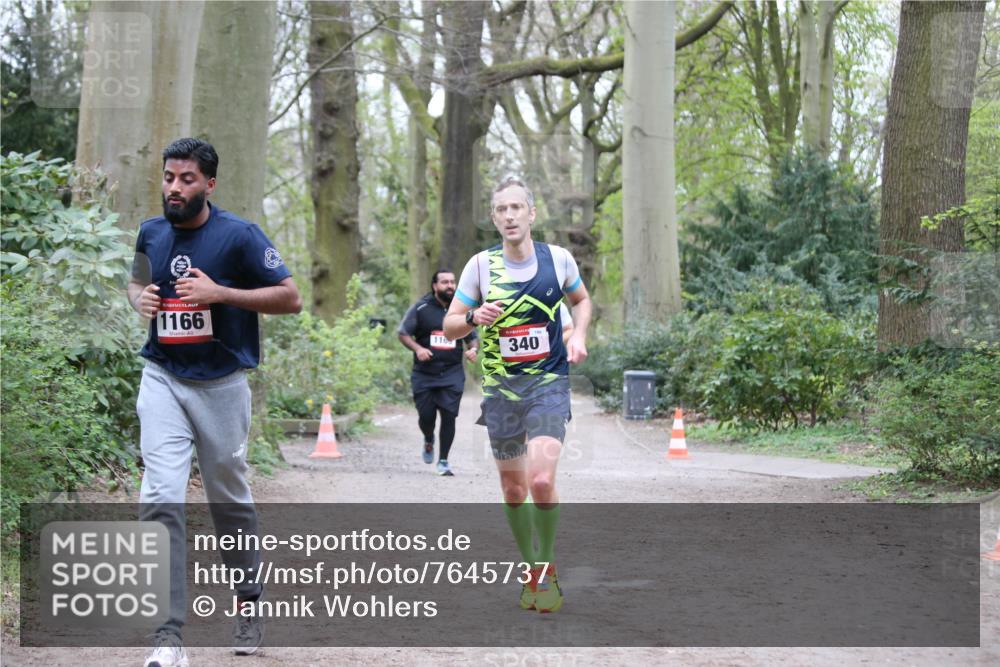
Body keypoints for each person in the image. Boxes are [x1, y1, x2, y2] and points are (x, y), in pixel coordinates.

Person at [128, 138, 302, 667]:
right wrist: (141, 299)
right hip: (162, 378)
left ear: (209, 183)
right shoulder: (151, 232)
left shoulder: (240, 236)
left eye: (186, 179)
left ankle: (248, 598)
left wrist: (221, 293)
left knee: (228, 500)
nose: (174, 188)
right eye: (169, 177)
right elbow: (136, 284)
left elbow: (290, 297)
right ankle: (167, 636)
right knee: (161, 495)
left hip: (221, 386)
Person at [443, 175, 592, 614]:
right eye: (501, 210)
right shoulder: (480, 267)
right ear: (494, 218)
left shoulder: (558, 260)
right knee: (513, 490)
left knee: (540, 480)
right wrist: (473, 316)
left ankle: (546, 570)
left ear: (531, 213)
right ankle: (531, 569)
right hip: (501, 392)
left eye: (516, 208)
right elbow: (450, 326)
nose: (509, 216)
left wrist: (580, 336)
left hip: (548, 384)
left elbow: (582, 301)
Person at [397, 270, 478, 476]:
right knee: (426, 417)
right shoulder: (421, 308)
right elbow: (403, 333)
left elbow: (472, 337)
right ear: (435, 286)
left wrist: (473, 350)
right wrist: (418, 349)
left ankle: (443, 461)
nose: (450, 286)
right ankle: (428, 438)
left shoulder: (460, 310)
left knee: (449, 416)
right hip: (424, 373)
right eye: (445, 282)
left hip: (452, 372)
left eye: (452, 282)